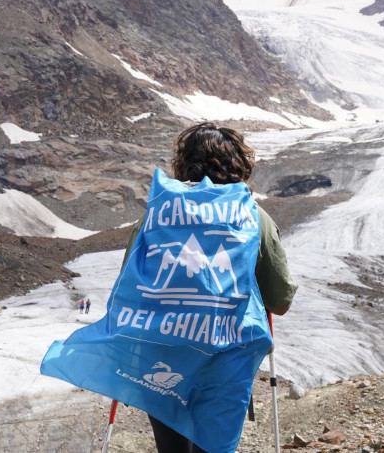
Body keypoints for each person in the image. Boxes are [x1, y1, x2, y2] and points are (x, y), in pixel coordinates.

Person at [123, 122, 297, 453]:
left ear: (182, 162)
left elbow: (129, 287)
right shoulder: (254, 219)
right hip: (223, 363)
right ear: (240, 164)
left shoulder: (155, 216)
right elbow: (280, 301)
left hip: (162, 357)